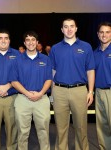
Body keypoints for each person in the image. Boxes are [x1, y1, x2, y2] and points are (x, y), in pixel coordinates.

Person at [49, 18, 95, 150]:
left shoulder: (86, 47)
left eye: (71, 26)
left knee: (81, 126)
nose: (69, 29)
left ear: (76, 28)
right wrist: (52, 94)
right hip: (59, 91)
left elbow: (90, 70)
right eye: (66, 27)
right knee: (60, 127)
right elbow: (52, 72)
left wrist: (90, 91)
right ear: (62, 29)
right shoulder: (55, 48)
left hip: (79, 90)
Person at [11, 31, 52, 150]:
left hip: (42, 98)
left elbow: (49, 79)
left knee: (44, 131)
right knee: (22, 132)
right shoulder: (17, 60)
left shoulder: (45, 59)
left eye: (33, 40)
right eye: (27, 40)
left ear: (37, 42)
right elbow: (14, 81)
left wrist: (40, 93)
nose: (30, 42)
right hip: (23, 99)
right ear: (24, 43)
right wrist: (28, 93)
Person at [94, 22, 111, 150]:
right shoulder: (95, 53)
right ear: (98, 34)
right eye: (102, 32)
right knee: (102, 127)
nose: (104, 35)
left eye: (107, 32)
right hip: (99, 92)